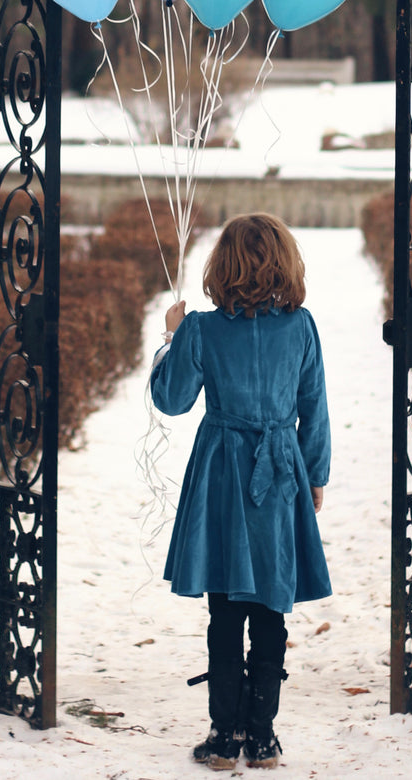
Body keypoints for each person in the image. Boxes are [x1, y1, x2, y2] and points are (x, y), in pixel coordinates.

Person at [150, 212, 331, 771]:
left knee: (225, 606)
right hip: (279, 475)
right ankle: (263, 736)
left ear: (221, 264)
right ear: (286, 261)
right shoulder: (300, 326)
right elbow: (313, 408)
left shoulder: (203, 328)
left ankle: (224, 735)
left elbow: (171, 399)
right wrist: (315, 475)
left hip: (222, 475)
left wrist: (173, 337)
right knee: (271, 604)